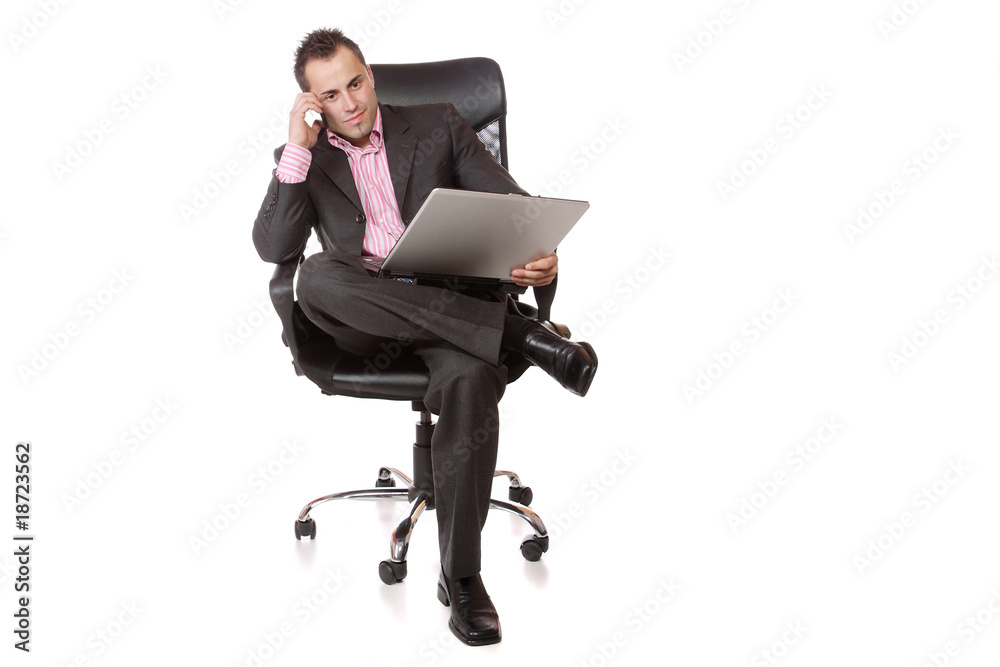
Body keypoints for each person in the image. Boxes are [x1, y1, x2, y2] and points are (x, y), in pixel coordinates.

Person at [252, 27, 598, 646]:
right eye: (330, 95)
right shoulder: (304, 157)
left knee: (469, 376)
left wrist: (539, 253)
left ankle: (461, 577)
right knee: (315, 276)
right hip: (365, 319)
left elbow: (514, 206)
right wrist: (296, 149)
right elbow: (272, 248)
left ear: (370, 76)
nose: (349, 103)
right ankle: (519, 334)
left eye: (355, 84)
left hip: (451, 312)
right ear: (311, 103)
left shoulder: (439, 124)